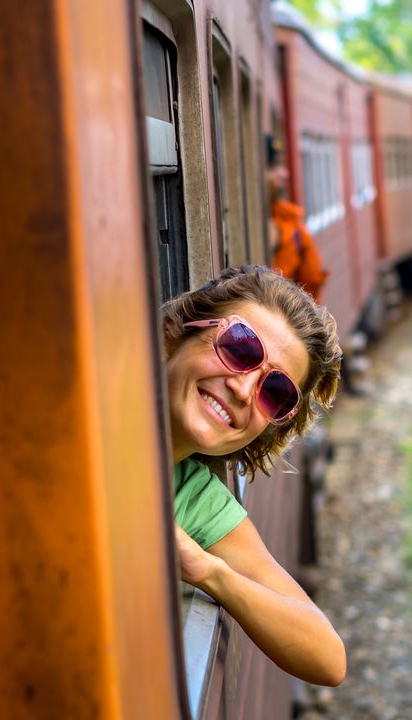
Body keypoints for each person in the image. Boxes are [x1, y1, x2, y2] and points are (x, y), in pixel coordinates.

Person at [163, 264, 345, 687]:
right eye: (240, 349)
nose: (245, 390)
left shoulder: (196, 500)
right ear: (174, 333)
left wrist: (209, 571)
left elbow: (328, 658)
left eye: (274, 391)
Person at [268, 163, 328, 302]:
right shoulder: (291, 223)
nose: (284, 174)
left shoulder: (290, 222)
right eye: (273, 167)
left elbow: (311, 276)